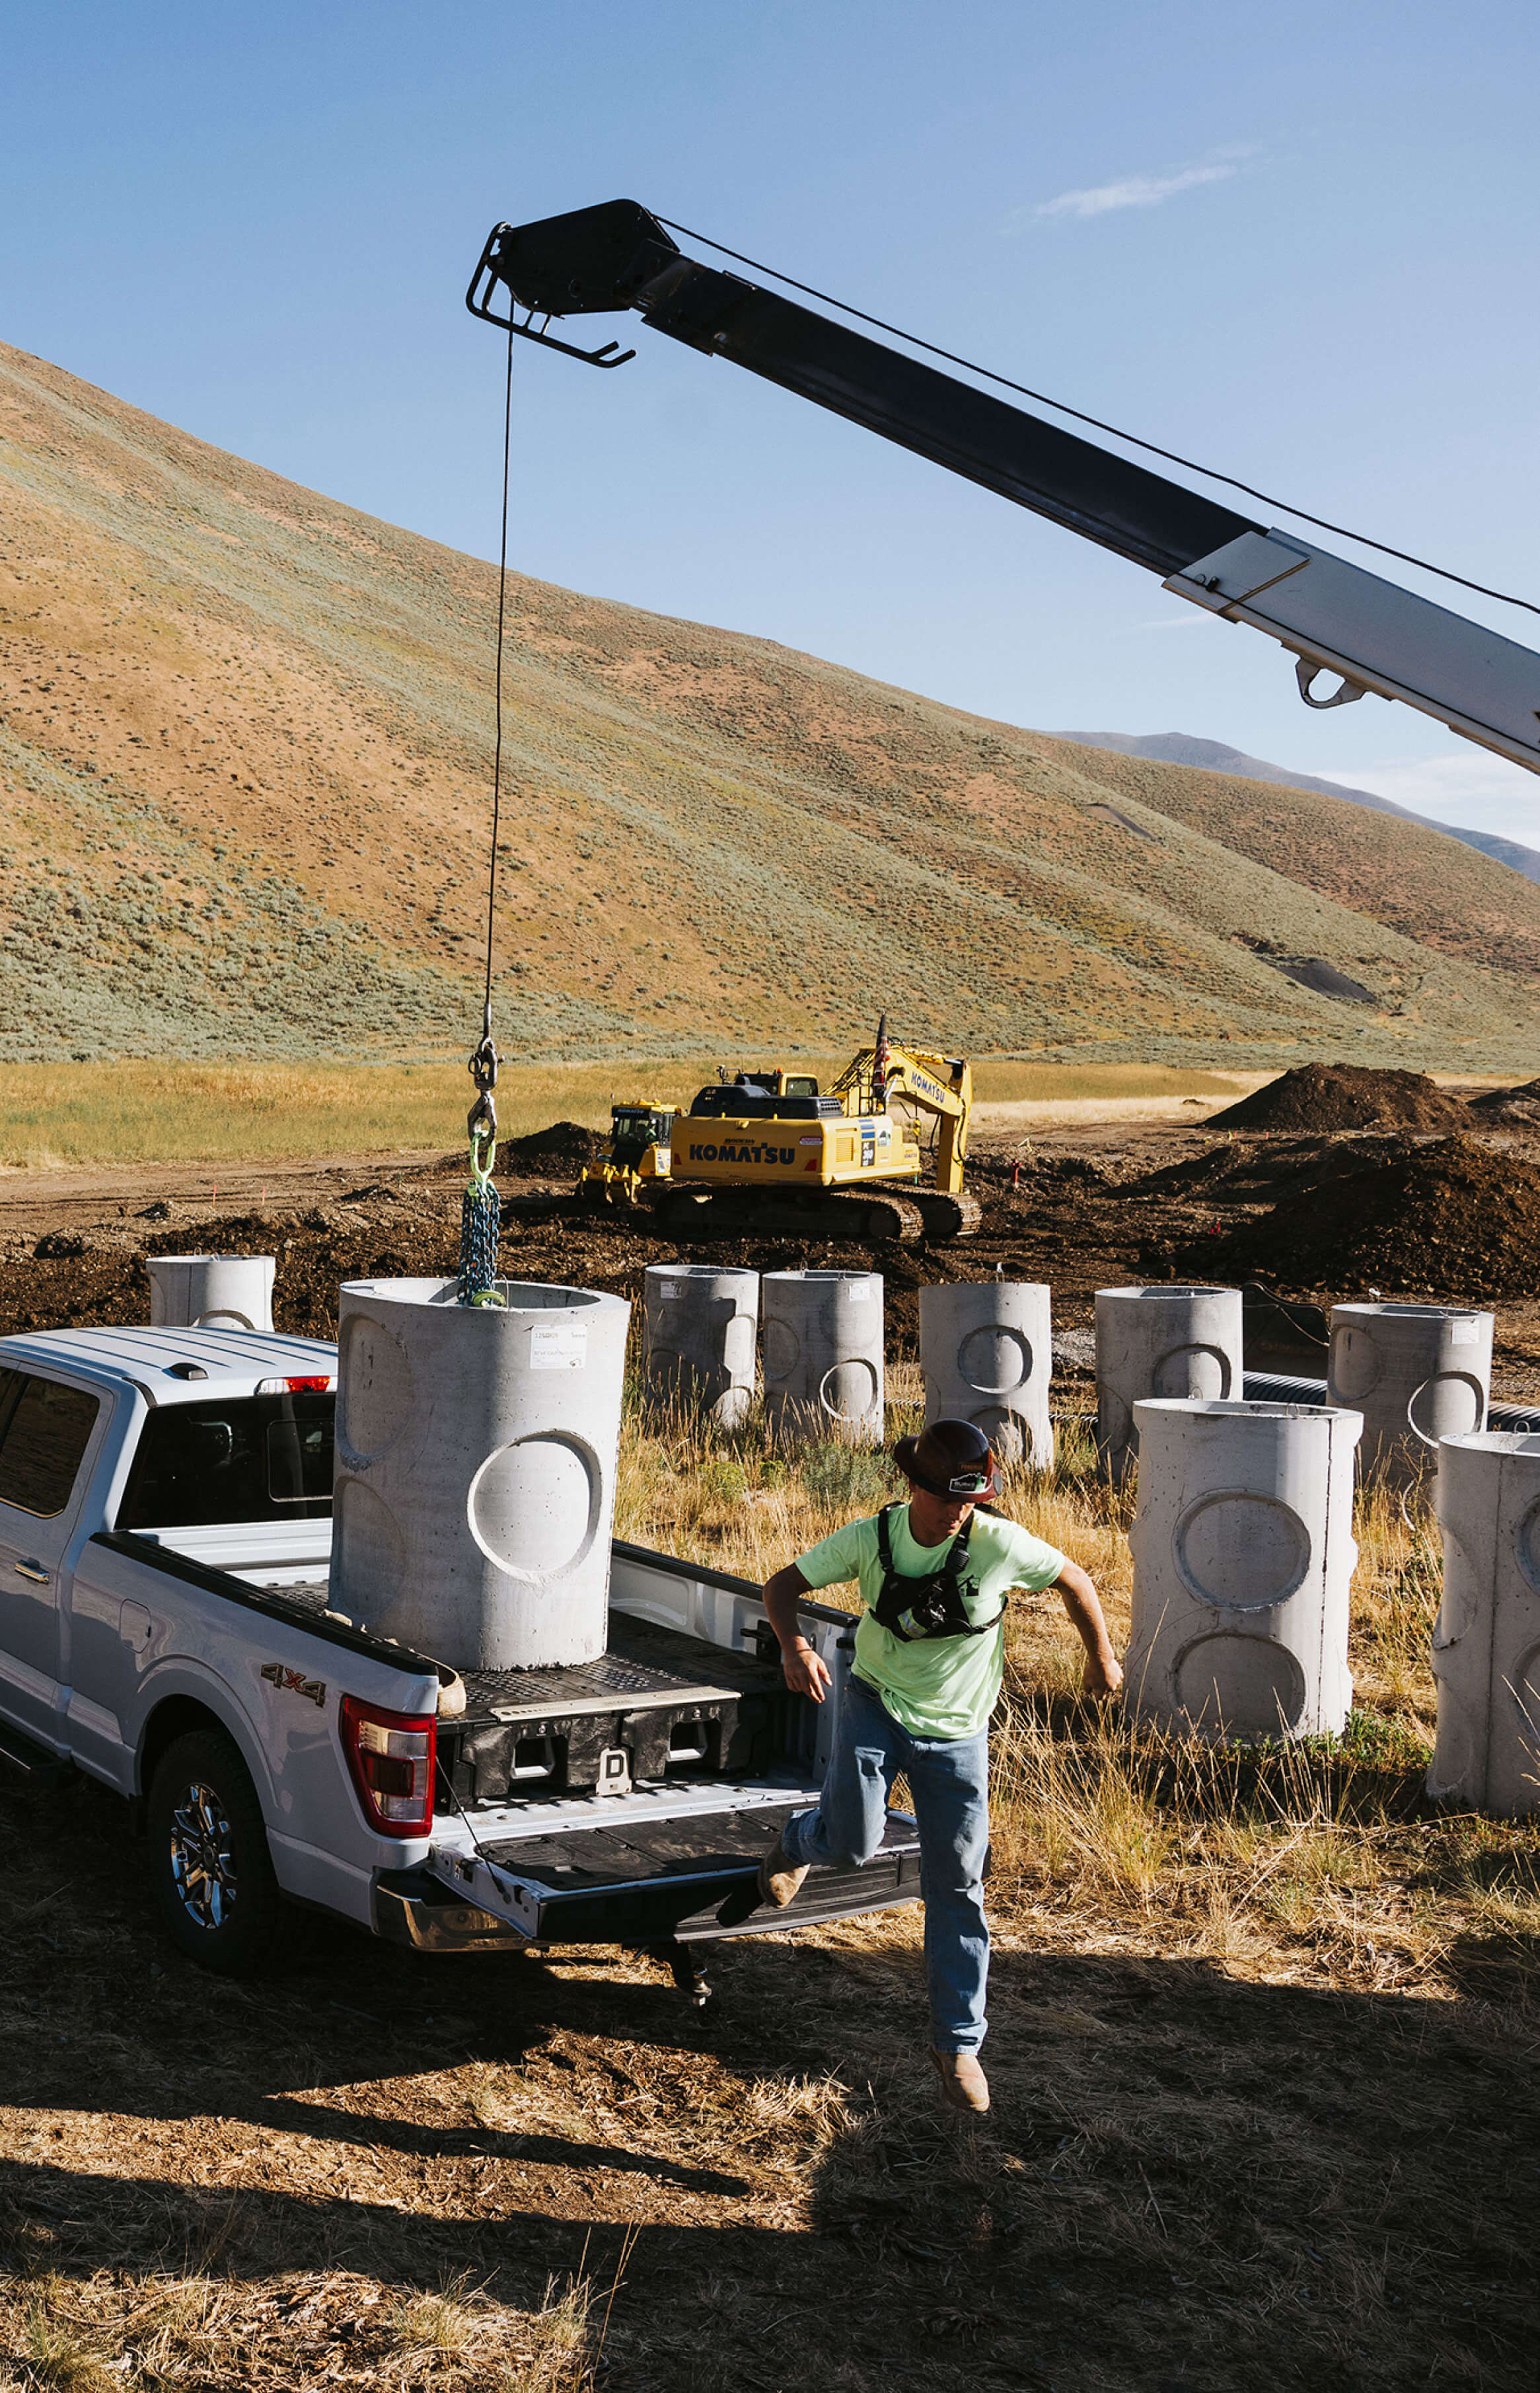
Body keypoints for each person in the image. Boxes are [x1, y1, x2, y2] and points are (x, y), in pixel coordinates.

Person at [756, 1417, 1122, 2116]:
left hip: (958, 1735)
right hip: (874, 1707)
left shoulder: (998, 1544)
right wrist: (794, 1647)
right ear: (915, 1485)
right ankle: (799, 1840)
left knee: (957, 1885)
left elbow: (1075, 1579)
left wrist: (1099, 1657)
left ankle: (958, 2045)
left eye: (972, 1499)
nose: (960, 1511)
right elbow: (781, 1586)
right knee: (852, 1844)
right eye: (948, 1497)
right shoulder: (871, 1538)